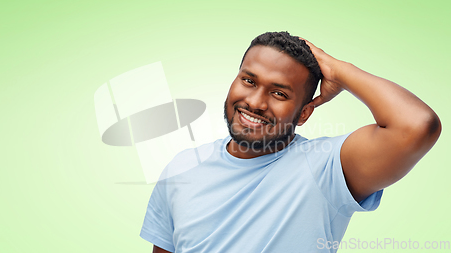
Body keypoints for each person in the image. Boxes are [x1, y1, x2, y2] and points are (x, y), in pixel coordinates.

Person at [140, 32, 441, 253]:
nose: (255, 102)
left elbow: (417, 125)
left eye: (279, 93)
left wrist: (339, 71)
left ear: (305, 113)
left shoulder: (326, 167)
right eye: (249, 80)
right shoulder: (182, 167)